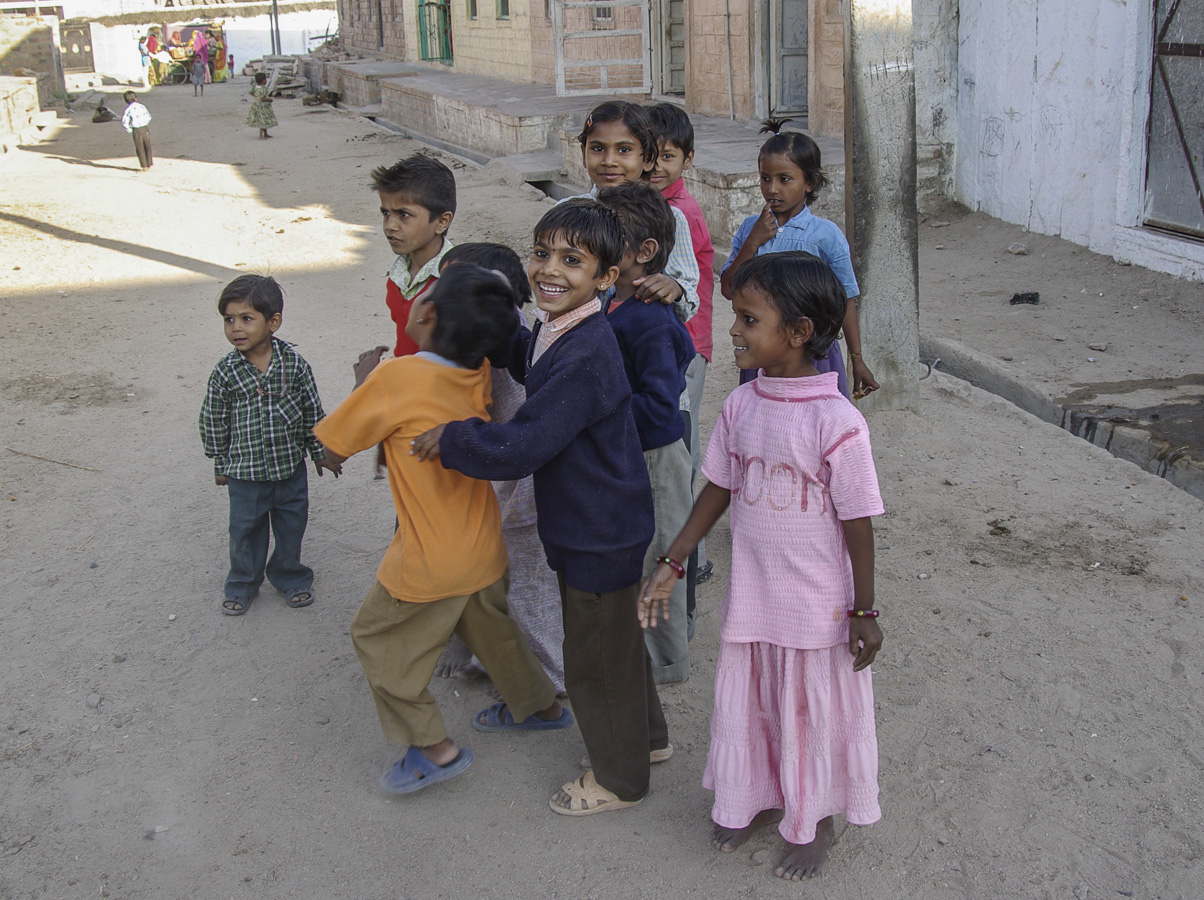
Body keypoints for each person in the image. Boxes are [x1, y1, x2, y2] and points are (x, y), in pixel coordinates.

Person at [411, 200, 669, 817]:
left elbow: (523, 444)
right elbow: (531, 360)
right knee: (617, 645)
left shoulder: (585, 354)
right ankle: (648, 741)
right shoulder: (567, 329)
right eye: (542, 254)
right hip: (604, 521)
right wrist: (496, 327)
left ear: (607, 278)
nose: (550, 270)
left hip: (596, 530)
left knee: (593, 662)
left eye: (572, 261)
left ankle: (619, 779)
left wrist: (452, 439)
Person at [640, 251, 884, 881]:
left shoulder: (838, 423)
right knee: (752, 702)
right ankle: (751, 799)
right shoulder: (741, 408)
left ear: (799, 333)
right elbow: (717, 489)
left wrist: (864, 609)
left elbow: (858, 525)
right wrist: (674, 561)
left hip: (817, 604)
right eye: (735, 316)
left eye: (749, 319)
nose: (734, 331)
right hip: (755, 594)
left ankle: (815, 819)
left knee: (810, 710)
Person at [312, 265, 572, 796]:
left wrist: (363, 381)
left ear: (425, 314)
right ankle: (540, 706)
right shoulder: (474, 369)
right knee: (494, 634)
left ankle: (434, 748)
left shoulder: (393, 378)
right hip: (482, 547)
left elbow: (333, 448)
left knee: (377, 639)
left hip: (430, 559)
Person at [432, 243, 566, 694]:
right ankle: (489, 657)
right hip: (497, 477)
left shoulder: (510, 342)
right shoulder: (472, 339)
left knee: (529, 584)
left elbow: (525, 433)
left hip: (527, 481)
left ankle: (551, 678)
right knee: (492, 575)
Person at [595, 181, 694, 686]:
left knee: (660, 565)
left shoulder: (652, 320)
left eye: (606, 235)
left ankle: (664, 668)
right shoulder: (612, 301)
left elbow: (658, 410)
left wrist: (595, 405)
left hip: (656, 461)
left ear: (644, 252)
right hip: (630, 458)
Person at [199, 275, 340, 616]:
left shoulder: (293, 365)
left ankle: (291, 576)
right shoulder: (225, 372)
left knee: (292, 527)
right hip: (245, 475)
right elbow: (213, 419)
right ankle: (243, 584)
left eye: (247, 318)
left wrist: (319, 452)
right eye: (229, 320)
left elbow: (311, 411)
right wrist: (220, 463)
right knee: (245, 532)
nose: (236, 328)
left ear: (273, 321)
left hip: (289, 470)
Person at [721, 118, 879, 400]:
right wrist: (753, 241)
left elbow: (846, 300)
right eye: (765, 178)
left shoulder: (825, 235)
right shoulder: (750, 229)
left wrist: (857, 358)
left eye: (785, 179)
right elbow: (728, 288)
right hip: (763, 350)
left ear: (810, 182)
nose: (772, 189)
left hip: (813, 353)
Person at [353, 155, 456, 479]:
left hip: (439, 412)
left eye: (403, 215)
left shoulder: (453, 281)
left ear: (441, 221)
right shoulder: (398, 273)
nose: (390, 225)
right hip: (406, 402)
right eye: (385, 212)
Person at [648, 102, 716, 591]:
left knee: (682, 450)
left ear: (687, 160)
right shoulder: (651, 203)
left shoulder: (677, 213)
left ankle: (697, 556)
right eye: (648, 156)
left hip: (687, 344)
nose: (655, 167)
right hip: (671, 345)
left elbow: (685, 288)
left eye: (667, 157)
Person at [571, 100, 699, 324]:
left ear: (648, 158)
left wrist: (674, 288)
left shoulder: (670, 218)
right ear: (583, 153)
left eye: (624, 150)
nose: (609, 161)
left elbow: (688, 299)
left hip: (636, 340)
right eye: (598, 148)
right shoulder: (569, 212)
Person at [120, 91, 153, 172]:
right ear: (136, 98)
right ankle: (149, 164)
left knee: (140, 148)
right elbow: (148, 116)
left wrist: (129, 129)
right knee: (147, 146)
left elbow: (124, 121)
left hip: (136, 130)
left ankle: (144, 166)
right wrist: (145, 123)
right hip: (144, 128)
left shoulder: (128, 109)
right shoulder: (141, 106)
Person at [246, 72, 277, 139]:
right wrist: (269, 100)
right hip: (262, 106)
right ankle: (260, 135)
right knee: (263, 121)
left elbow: (250, 92)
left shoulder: (254, 86)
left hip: (256, 105)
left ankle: (265, 134)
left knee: (262, 119)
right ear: (263, 80)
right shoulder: (263, 88)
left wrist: (255, 96)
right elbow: (262, 98)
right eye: (265, 79)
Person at [190, 29, 207, 97]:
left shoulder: (195, 41)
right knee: (198, 84)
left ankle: (200, 93)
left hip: (199, 75)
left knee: (199, 84)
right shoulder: (204, 40)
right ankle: (197, 93)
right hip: (203, 56)